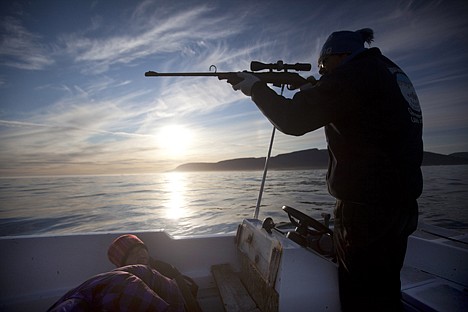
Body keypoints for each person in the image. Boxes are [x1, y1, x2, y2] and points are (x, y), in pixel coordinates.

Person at [227, 28, 423, 311]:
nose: (322, 73)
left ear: (340, 55)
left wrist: (255, 88)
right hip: (399, 206)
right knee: (384, 289)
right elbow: (365, 116)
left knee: (362, 299)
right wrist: (312, 91)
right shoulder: (389, 72)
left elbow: (292, 120)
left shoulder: (354, 74)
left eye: (323, 65)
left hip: (365, 212)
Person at [108, 234, 201, 311]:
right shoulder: (122, 282)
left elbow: (187, 300)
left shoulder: (165, 269)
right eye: (133, 253)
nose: (140, 254)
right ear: (123, 263)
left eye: (141, 249)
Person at [47, 264, 186, 312]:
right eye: (134, 253)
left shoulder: (159, 271)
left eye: (142, 250)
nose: (141, 256)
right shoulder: (123, 286)